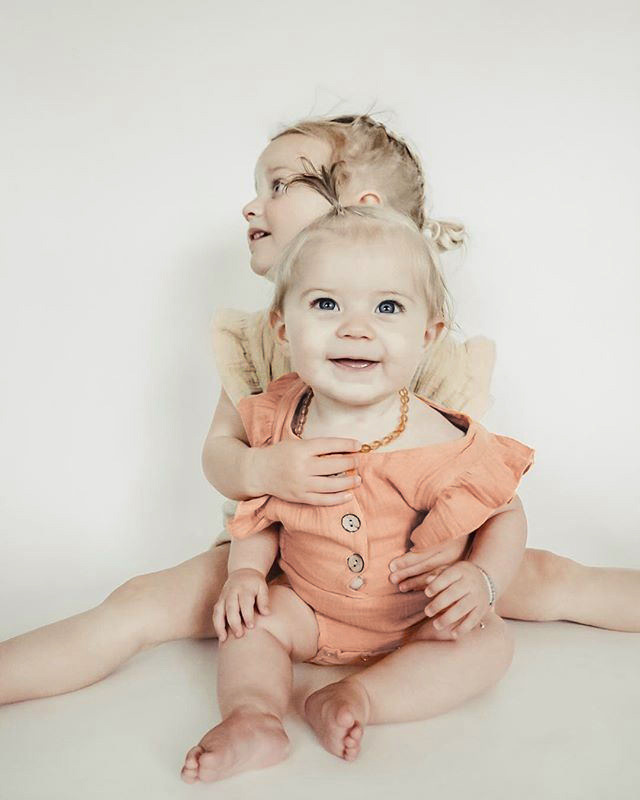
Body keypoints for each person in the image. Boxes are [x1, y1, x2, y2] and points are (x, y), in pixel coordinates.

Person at [1, 114, 638, 709]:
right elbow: (220, 456)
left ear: (364, 210)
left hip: (419, 567)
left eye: (280, 184)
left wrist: (478, 573)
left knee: (555, 579)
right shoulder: (257, 343)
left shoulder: (412, 341)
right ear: (286, 324)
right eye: (257, 187)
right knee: (139, 602)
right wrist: (263, 472)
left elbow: (479, 488)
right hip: (283, 551)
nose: (252, 205)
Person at [181, 200, 533, 783]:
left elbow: (505, 511)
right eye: (326, 304)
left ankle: (358, 697)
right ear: (282, 327)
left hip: (415, 617)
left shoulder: (437, 437)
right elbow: (261, 512)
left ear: (428, 335)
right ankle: (253, 718)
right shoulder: (281, 420)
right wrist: (244, 574)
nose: (355, 328)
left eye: (387, 307)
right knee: (250, 625)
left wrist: (484, 578)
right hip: (307, 609)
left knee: (488, 645)